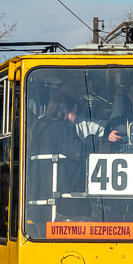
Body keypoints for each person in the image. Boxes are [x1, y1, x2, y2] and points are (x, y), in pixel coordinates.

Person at [29, 93, 87, 229]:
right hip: (60, 202)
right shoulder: (62, 128)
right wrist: (89, 141)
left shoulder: (38, 127)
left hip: (37, 198)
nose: (76, 118)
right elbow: (78, 153)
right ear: (67, 113)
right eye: (75, 113)